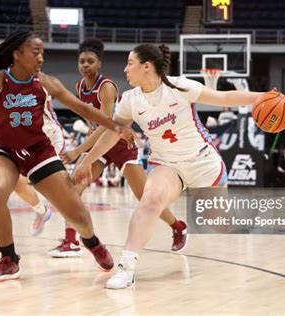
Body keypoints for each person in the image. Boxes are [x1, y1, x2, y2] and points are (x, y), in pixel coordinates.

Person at [74, 43, 272, 289]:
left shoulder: (180, 86)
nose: (125, 69)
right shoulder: (130, 100)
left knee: (216, 221)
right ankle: (127, 268)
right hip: (167, 164)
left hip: (202, 161)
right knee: (150, 202)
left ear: (146, 67)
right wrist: (87, 159)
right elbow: (112, 133)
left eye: (130, 63)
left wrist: (261, 97)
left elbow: (224, 98)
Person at [0, 30, 133, 282]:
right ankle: (9, 260)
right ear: (17, 54)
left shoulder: (46, 82)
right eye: (35, 52)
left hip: (38, 150)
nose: (40, 57)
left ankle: (91, 241)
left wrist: (116, 126)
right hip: (2, 148)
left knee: (78, 215)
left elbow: (82, 108)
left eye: (42, 53)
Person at [48, 39, 188, 258]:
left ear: (99, 64)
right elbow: (94, 124)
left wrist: (78, 151)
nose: (85, 65)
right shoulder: (79, 87)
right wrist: (87, 148)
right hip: (100, 146)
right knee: (74, 188)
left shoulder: (106, 88)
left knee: (145, 197)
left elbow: (107, 125)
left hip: (119, 143)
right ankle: (70, 241)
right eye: (82, 61)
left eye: (90, 61)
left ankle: (178, 226)